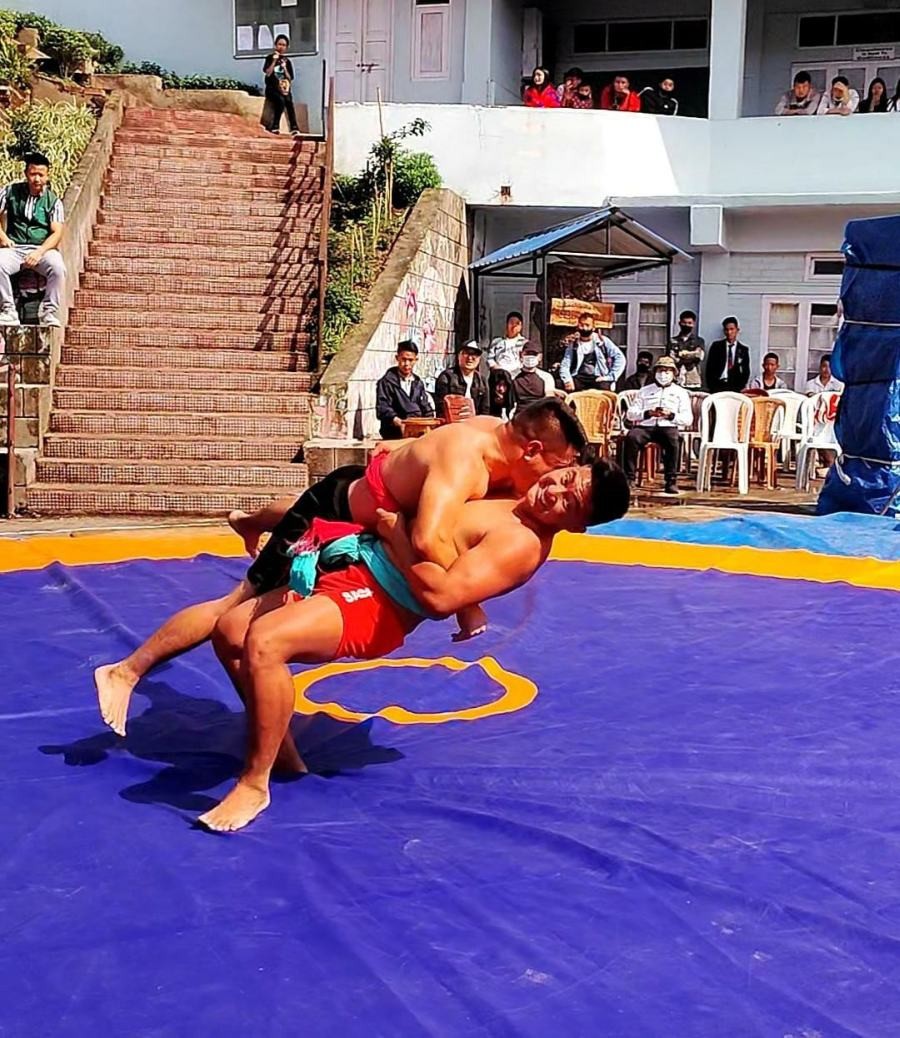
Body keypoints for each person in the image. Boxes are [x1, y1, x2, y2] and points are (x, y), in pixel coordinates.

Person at [94, 400, 589, 737]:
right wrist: (468, 605)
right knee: (235, 608)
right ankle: (125, 671)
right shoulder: (467, 463)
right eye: (556, 467)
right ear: (530, 450)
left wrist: (398, 458)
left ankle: (250, 519)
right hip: (338, 508)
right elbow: (425, 538)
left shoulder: (488, 431)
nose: (548, 481)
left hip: (355, 499)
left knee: (303, 516)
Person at [199, 457, 630, 831]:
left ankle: (254, 784)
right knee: (230, 632)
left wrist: (396, 535)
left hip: (379, 603)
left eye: (568, 503)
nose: (553, 492)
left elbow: (440, 598)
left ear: (576, 525)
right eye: (566, 479)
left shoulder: (521, 543)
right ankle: (283, 751)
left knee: (264, 642)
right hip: (355, 558)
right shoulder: (513, 487)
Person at [0, 152, 65, 327]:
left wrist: (40, 252)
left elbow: (57, 233)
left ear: (47, 175)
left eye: (41, 175)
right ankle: (8, 310)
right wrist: (3, 237)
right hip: (15, 247)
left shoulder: (53, 201)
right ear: (26, 173)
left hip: (42, 249)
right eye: (33, 174)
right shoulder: (10, 191)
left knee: (58, 268)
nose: (36, 179)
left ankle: (49, 312)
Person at [622, 356, 692, 496]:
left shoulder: (681, 393)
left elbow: (688, 419)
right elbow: (631, 414)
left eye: (667, 371)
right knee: (632, 437)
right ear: (655, 373)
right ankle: (629, 479)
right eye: (660, 370)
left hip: (668, 426)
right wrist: (647, 413)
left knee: (674, 440)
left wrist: (671, 415)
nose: (663, 374)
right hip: (646, 426)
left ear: (674, 373)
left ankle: (671, 481)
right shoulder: (645, 390)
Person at [375, 340, 434, 439]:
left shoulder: (418, 383)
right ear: (397, 358)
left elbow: (425, 407)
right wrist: (400, 423)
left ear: (416, 360)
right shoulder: (386, 382)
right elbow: (383, 409)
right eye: (403, 359)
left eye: (410, 360)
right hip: (395, 432)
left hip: (418, 431)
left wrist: (430, 422)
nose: (406, 364)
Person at [559, 312, 626, 392]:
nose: (584, 328)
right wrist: (567, 380)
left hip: (598, 377)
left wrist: (610, 376)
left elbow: (620, 358)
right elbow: (565, 364)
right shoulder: (574, 344)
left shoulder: (603, 341)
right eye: (581, 325)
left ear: (593, 327)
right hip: (580, 377)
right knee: (560, 385)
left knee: (604, 389)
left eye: (587, 325)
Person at [433, 341, 489, 418]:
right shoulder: (446, 377)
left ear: (479, 359)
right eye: (466, 353)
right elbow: (441, 407)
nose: (470, 358)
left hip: (475, 424)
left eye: (474, 355)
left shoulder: (482, 381)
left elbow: (485, 409)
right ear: (459, 355)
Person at [262, 34, 300, 136]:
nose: (281, 47)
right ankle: (275, 126)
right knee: (280, 101)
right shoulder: (269, 58)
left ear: (286, 47)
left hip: (283, 88)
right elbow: (268, 73)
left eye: (283, 45)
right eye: (279, 44)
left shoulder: (287, 61)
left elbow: (290, 77)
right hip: (272, 88)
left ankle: (294, 127)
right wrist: (274, 60)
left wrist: (284, 68)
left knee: (289, 101)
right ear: (275, 45)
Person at [706, 317, 750, 393]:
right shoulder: (716, 346)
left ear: (737, 330)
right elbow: (709, 368)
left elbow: (746, 371)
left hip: (735, 387)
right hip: (718, 385)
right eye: (726, 329)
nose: (729, 332)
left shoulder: (743, 349)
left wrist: (741, 386)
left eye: (732, 329)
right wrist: (712, 386)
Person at [666, 309, 706, 388]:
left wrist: (680, 355)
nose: (686, 325)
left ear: (694, 324)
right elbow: (671, 358)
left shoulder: (699, 341)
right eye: (684, 323)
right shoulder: (673, 341)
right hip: (675, 378)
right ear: (680, 323)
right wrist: (689, 355)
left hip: (692, 378)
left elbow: (698, 356)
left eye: (689, 323)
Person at [513, 343, 560, 407]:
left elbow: (548, 398)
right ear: (520, 355)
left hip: (539, 412)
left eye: (534, 354)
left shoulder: (546, 377)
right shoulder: (513, 376)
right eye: (527, 353)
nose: (530, 357)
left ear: (540, 357)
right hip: (519, 413)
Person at [487, 310, 527, 375]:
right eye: (511, 322)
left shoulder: (525, 343)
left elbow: (526, 361)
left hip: (517, 376)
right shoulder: (496, 341)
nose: (514, 326)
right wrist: (495, 367)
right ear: (507, 324)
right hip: (499, 375)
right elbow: (490, 358)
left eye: (517, 323)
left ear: (521, 327)